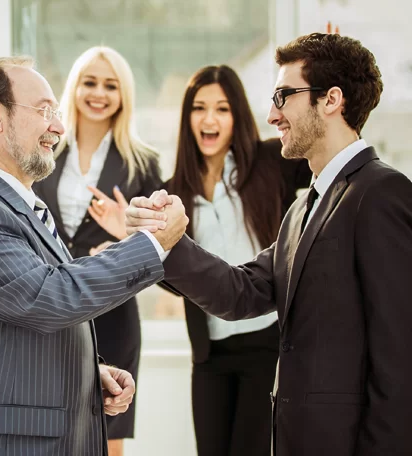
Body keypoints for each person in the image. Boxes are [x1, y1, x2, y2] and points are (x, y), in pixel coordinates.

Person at [126, 32, 412, 456]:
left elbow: (401, 357)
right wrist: (172, 242)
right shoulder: (301, 211)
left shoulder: (381, 192)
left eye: (283, 95)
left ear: (331, 100)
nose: (272, 114)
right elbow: (241, 293)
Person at [0, 56, 188, 456]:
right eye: (44, 111)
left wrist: (84, 375)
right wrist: (149, 244)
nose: (58, 127)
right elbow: (52, 298)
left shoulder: (11, 204)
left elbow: (11, 325)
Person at [93, 64, 311, 455]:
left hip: (269, 343)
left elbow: (324, 155)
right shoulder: (176, 189)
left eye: (222, 109)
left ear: (237, 115)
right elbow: (176, 278)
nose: (209, 119)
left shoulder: (270, 162)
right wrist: (130, 236)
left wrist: (326, 88)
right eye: (199, 108)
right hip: (209, 352)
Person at [31, 46, 162, 455]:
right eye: (90, 82)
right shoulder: (43, 151)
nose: (99, 93)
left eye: (111, 85)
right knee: (49, 431)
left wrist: (125, 240)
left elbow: (160, 246)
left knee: (108, 438)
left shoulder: (143, 163)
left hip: (113, 313)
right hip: (50, 310)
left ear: (124, 95)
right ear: (74, 88)